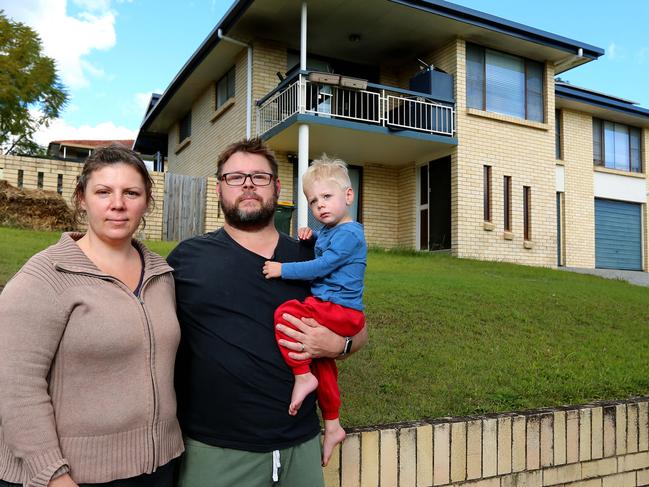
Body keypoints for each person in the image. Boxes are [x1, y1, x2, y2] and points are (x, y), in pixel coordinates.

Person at [168, 138, 368, 487]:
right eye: (235, 177)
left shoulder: (310, 256)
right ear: (219, 188)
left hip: (300, 449)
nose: (247, 184)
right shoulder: (187, 259)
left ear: (277, 188)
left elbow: (358, 327)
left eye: (259, 177)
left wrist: (338, 345)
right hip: (216, 453)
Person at [0, 145, 184, 487]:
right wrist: (53, 474)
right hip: (70, 475)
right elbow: (15, 387)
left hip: (157, 468)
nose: (118, 204)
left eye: (131, 193)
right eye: (103, 192)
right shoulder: (45, 276)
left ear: (146, 202)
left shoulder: (162, 275)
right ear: (81, 199)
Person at [262, 156, 366, 466]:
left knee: (288, 314)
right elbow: (325, 247)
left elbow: (323, 265)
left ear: (348, 196)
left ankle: (301, 376)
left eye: (327, 197)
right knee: (324, 365)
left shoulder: (350, 233)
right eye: (313, 201)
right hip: (338, 310)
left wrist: (283, 269)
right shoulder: (334, 232)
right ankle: (332, 424)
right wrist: (313, 236)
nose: (320, 205)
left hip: (339, 310)